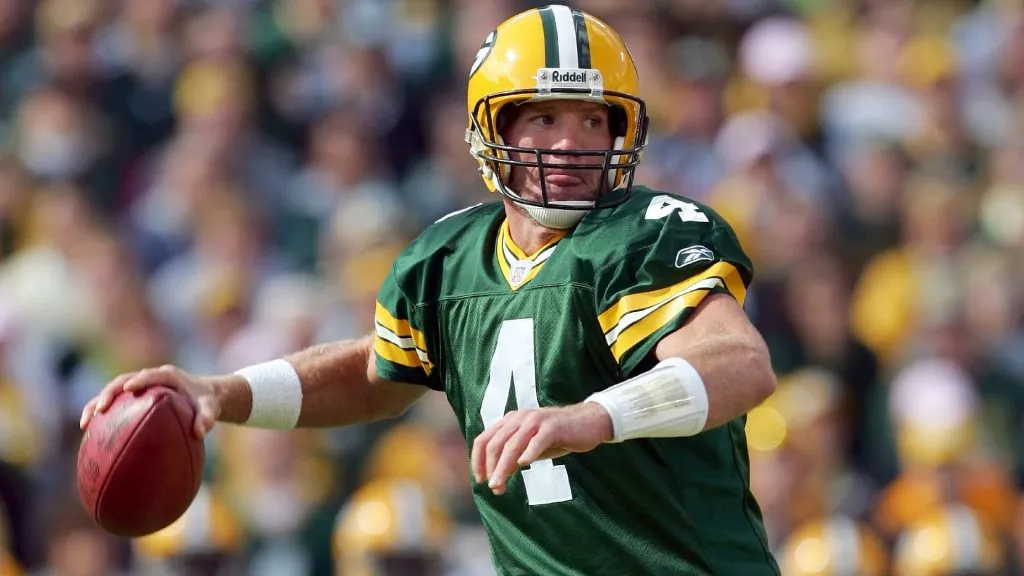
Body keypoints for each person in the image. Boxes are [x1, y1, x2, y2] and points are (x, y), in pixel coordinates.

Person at [81, 5, 780, 575]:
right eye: (545, 118)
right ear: (490, 128)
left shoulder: (644, 235)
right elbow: (377, 372)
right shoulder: (448, 258)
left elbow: (738, 362)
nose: (572, 142)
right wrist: (220, 392)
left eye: (593, 119)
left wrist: (593, 417)